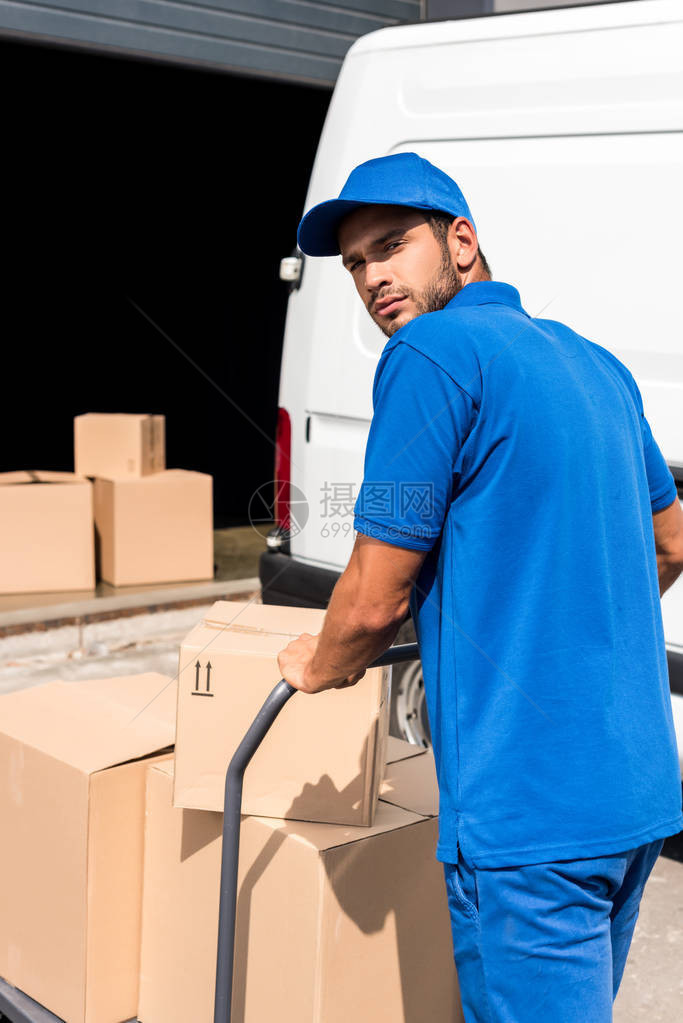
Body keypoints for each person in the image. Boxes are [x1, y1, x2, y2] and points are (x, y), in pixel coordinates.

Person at [276, 152, 683, 1021]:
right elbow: (670, 540)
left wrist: (318, 661)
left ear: (460, 242)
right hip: (637, 791)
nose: (374, 278)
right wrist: (573, 631)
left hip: (527, 815)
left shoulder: (429, 353)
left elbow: (375, 593)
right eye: (354, 264)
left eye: (392, 246)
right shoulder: (593, 364)